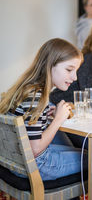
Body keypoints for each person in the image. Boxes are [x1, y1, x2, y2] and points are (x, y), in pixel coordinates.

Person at [0, 38, 87, 181]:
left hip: (16, 162)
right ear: (50, 65)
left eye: (76, 71)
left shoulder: (29, 89)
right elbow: (35, 150)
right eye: (69, 69)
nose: (75, 77)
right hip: (37, 165)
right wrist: (58, 119)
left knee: (82, 152)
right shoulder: (36, 97)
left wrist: (46, 116)